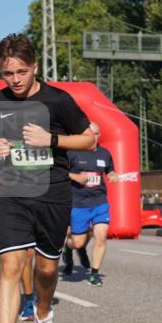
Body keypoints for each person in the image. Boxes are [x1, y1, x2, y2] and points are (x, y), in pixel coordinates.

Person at [0, 34, 94, 323]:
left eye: (21, 72)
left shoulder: (59, 101)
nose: (14, 80)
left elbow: (89, 139)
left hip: (52, 193)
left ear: (35, 67)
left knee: (45, 269)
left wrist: (51, 139)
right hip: (13, 192)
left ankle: (43, 313)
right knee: (11, 264)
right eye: (8, 74)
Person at [61, 122, 119, 287]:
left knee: (101, 236)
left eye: (96, 134)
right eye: (90, 133)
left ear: (99, 135)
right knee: (78, 242)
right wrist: (75, 177)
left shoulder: (104, 153)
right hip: (78, 203)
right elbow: (59, 171)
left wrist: (113, 175)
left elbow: (110, 170)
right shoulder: (72, 152)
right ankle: (68, 247)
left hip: (100, 202)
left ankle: (94, 274)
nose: (93, 137)